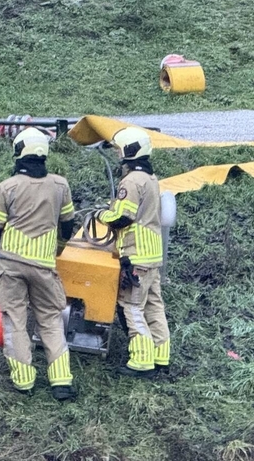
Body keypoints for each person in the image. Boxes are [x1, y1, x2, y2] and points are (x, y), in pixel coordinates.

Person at [0, 128, 77, 401]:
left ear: (19, 151)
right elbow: (68, 224)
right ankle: (61, 380)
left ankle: (23, 380)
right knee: (50, 320)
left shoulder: (7, 187)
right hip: (44, 265)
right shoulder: (60, 185)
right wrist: (58, 249)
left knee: (14, 320)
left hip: (11, 264)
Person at [95, 127, 170, 378]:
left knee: (132, 306)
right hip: (153, 253)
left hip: (135, 253)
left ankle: (141, 360)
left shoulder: (131, 181)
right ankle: (161, 355)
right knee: (153, 306)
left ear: (129, 150)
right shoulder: (150, 177)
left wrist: (102, 214)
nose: (117, 153)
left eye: (119, 148)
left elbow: (123, 216)